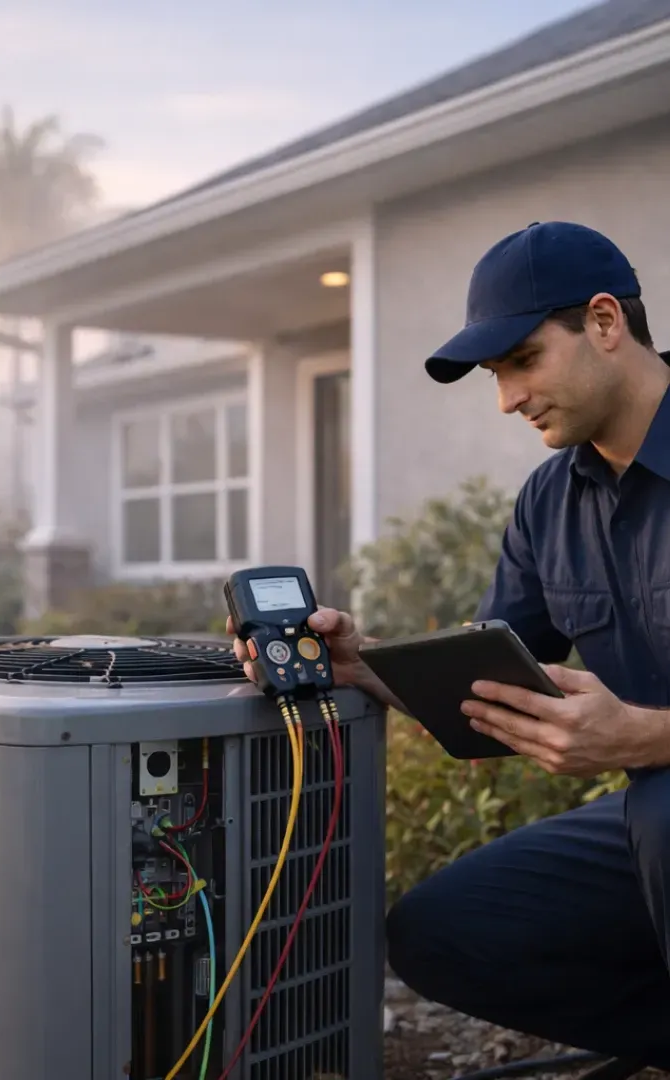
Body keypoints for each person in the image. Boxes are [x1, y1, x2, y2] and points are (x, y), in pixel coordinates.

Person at [229, 221, 670, 1068]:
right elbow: (483, 689)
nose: (508, 399)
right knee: (442, 932)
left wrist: (647, 737)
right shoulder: (551, 503)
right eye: (495, 376)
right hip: (647, 820)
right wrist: (368, 664)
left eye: (522, 361)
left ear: (606, 322)